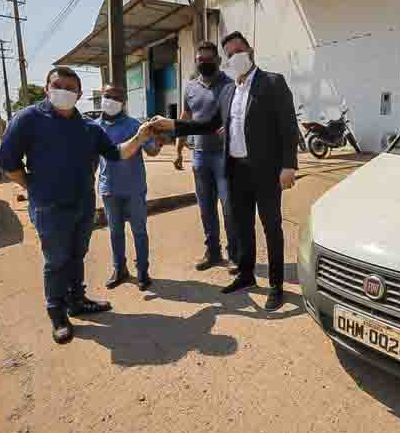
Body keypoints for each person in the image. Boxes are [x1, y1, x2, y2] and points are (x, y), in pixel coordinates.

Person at [0, 66, 155, 345]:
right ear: (47, 87)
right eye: (58, 85)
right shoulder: (28, 119)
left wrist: (141, 137)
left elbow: (117, 154)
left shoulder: (88, 127)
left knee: (76, 254)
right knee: (56, 260)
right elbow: (8, 163)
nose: (64, 92)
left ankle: (76, 300)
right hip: (49, 206)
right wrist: (32, 187)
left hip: (83, 203)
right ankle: (57, 312)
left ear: (80, 94)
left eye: (71, 89)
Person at [149, 31, 300, 312]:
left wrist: (288, 165)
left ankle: (276, 286)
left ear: (250, 50)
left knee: (271, 227)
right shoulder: (230, 91)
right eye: (230, 53)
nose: (235, 57)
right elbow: (207, 124)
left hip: (266, 172)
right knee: (242, 226)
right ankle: (246, 275)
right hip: (237, 171)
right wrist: (172, 126)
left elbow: (288, 126)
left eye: (238, 50)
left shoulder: (272, 83)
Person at [175, 41, 237, 272]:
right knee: (205, 207)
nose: (204, 63)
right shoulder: (190, 87)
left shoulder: (229, 86)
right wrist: (179, 149)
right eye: (200, 60)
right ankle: (212, 252)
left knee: (229, 206)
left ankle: (234, 255)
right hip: (199, 155)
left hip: (224, 156)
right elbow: (185, 117)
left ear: (218, 61)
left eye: (209, 59)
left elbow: (238, 115)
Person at [96, 85, 162, 292]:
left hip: (134, 188)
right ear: (101, 97)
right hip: (109, 189)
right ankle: (120, 269)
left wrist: (158, 141)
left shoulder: (135, 125)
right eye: (107, 96)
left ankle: (143, 271)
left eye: (116, 98)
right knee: (115, 232)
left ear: (124, 102)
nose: (111, 101)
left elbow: (151, 151)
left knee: (139, 231)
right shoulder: (94, 127)